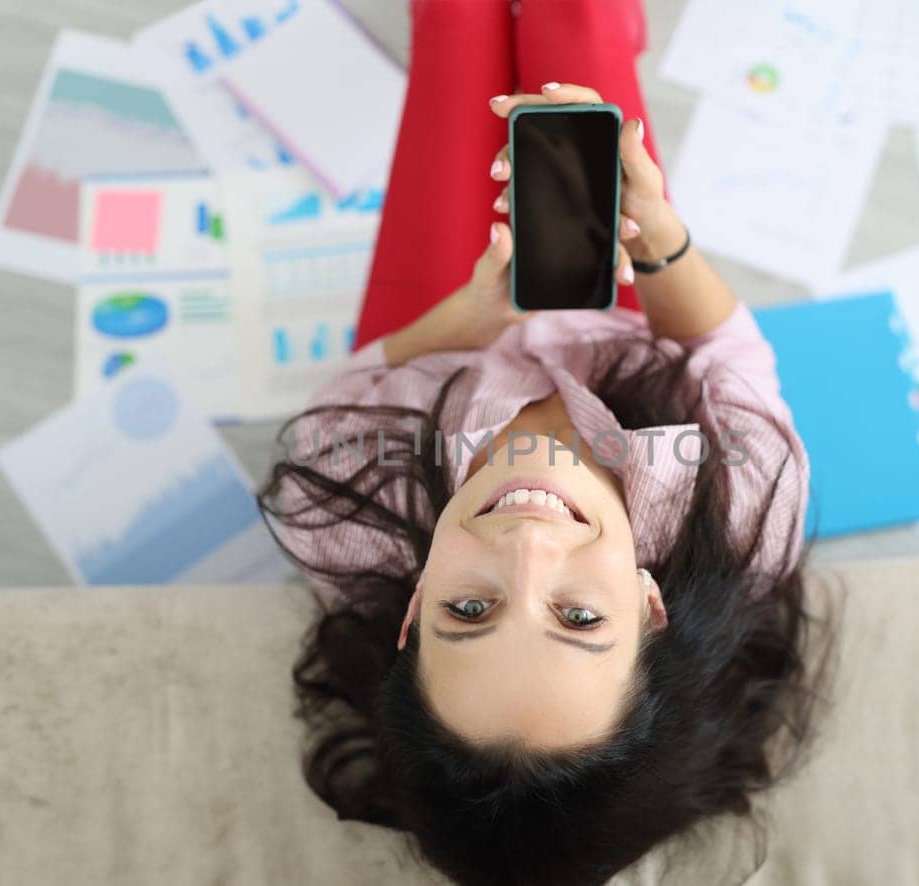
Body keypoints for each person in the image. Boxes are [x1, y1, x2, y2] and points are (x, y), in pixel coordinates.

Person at [257, 2, 827, 883]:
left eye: (470, 612)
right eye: (579, 617)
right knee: (585, 46)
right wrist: (659, 235)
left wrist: (460, 321)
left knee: (455, 37)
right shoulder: (752, 510)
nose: (525, 548)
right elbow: (725, 352)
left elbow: (354, 392)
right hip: (630, 297)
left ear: (410, 619)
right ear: (650, 611)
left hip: (444, 335)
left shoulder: (339, 517)